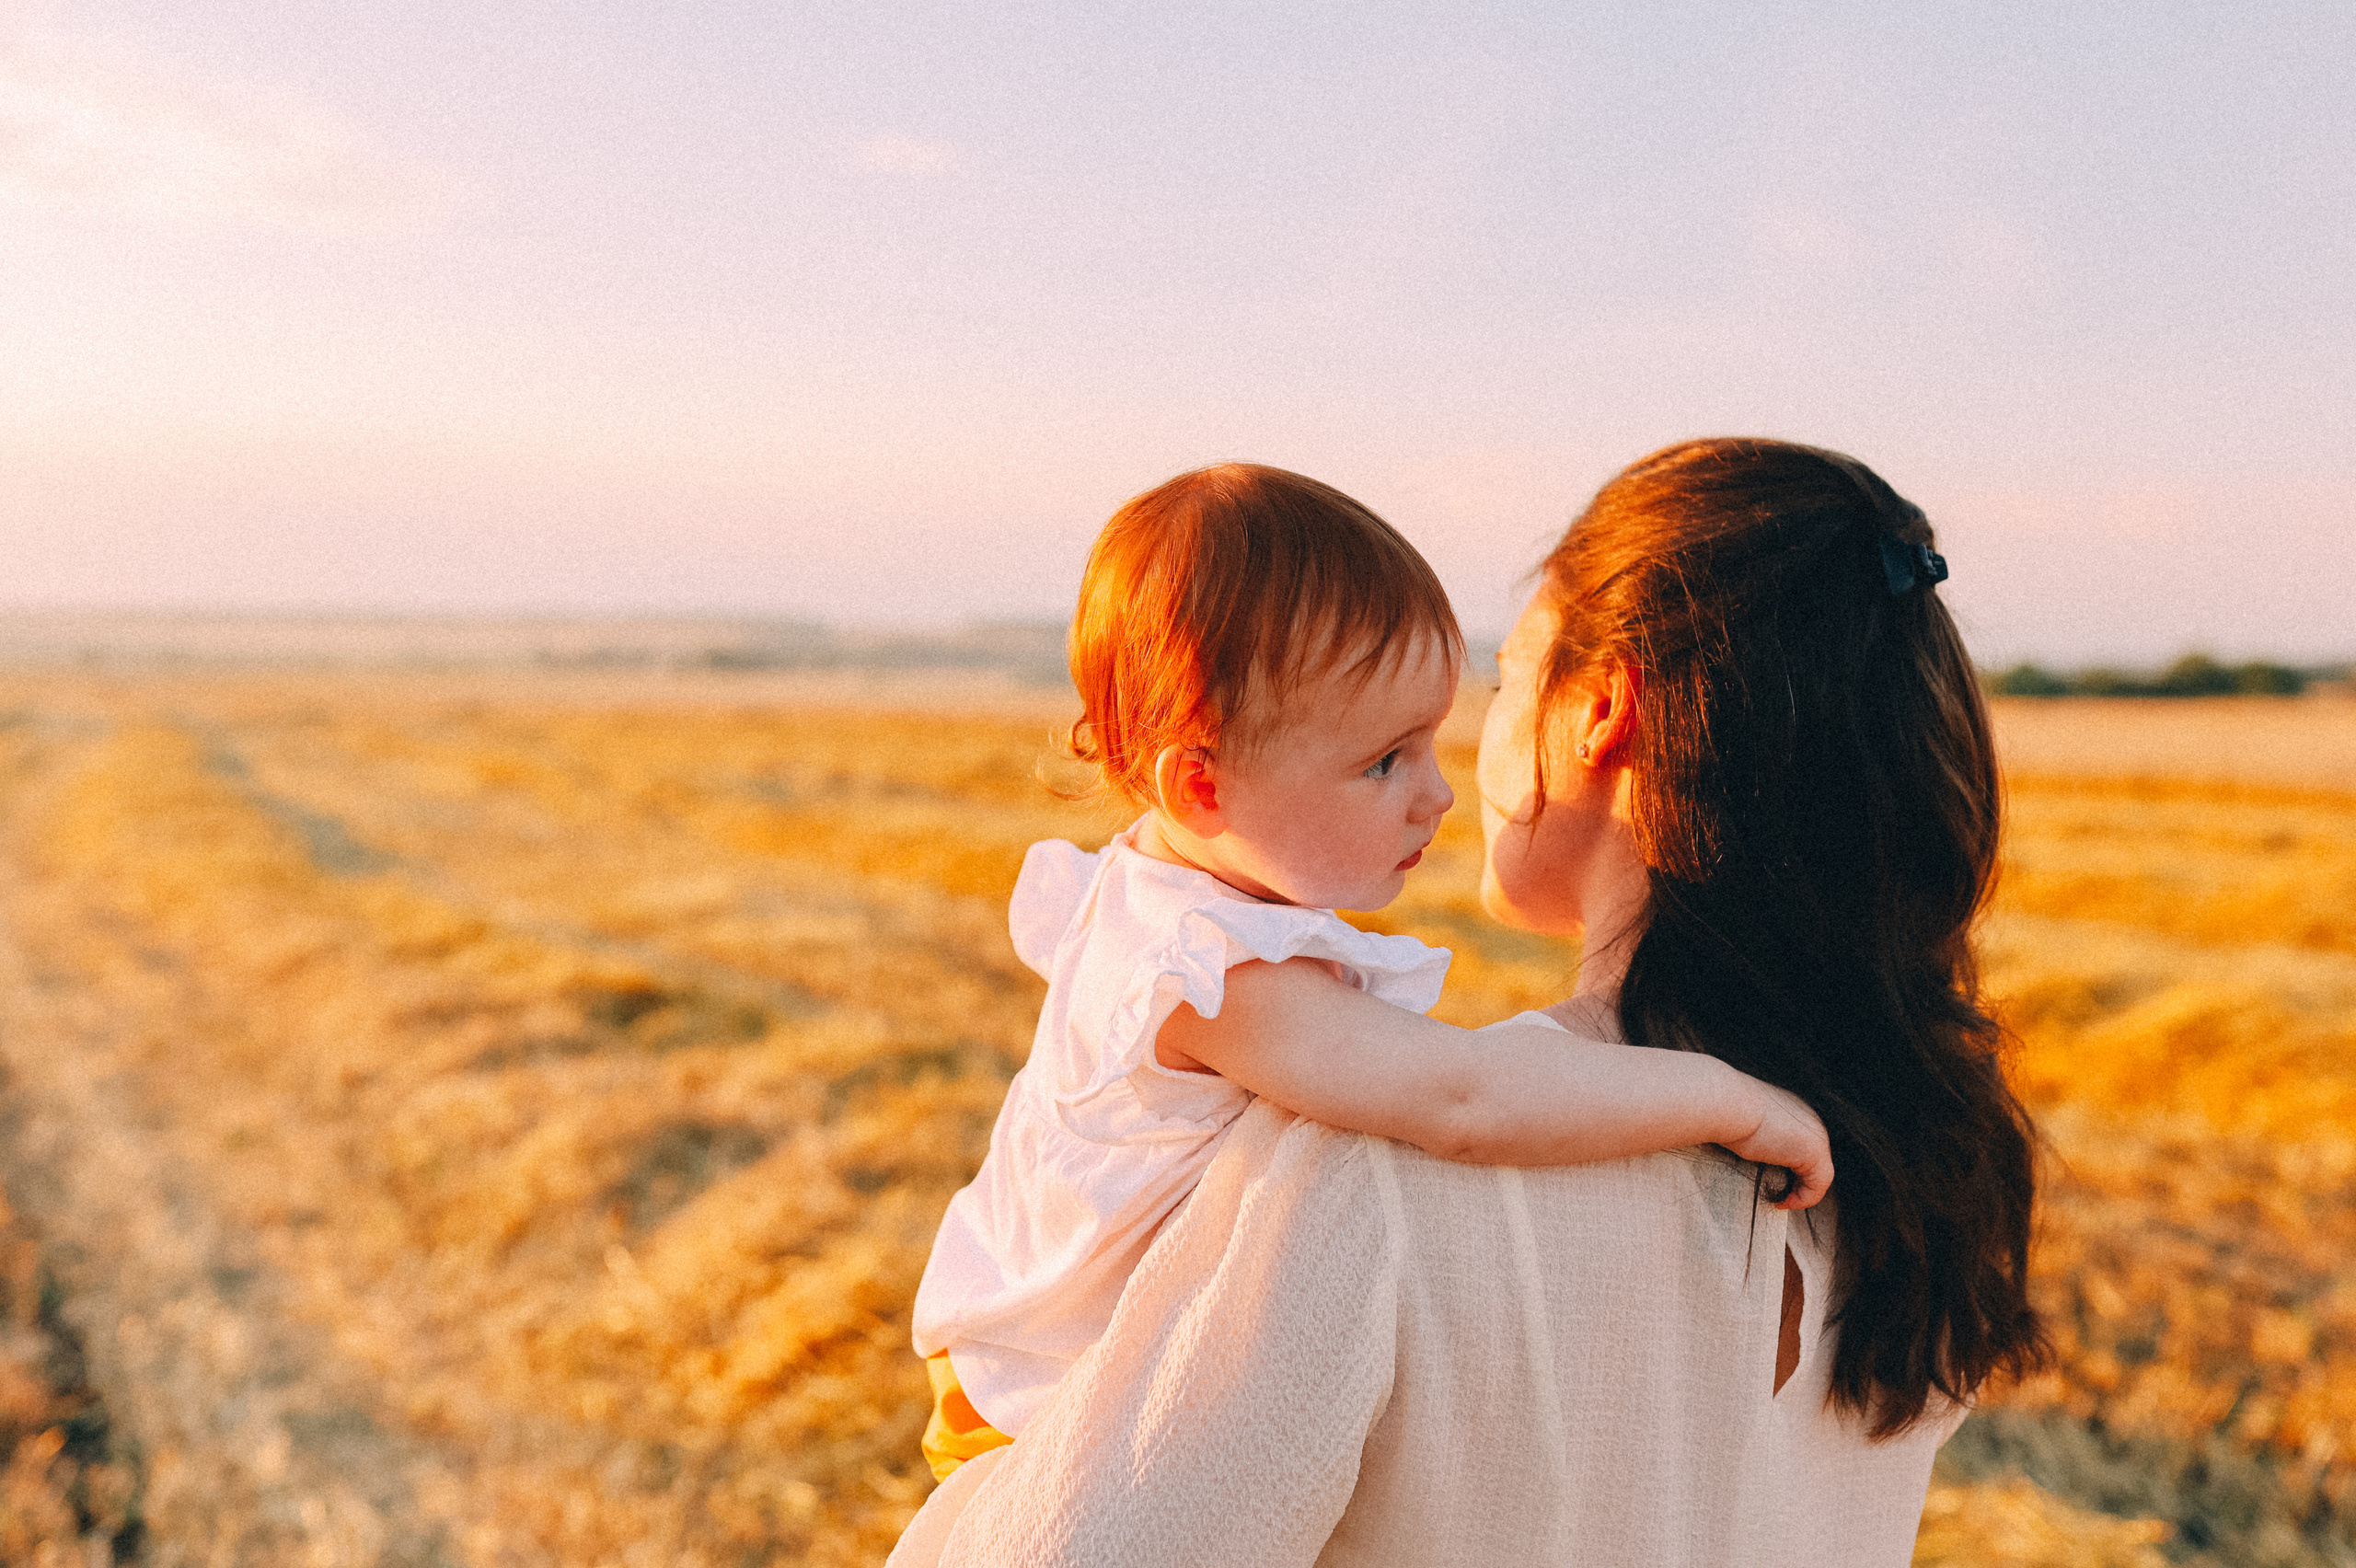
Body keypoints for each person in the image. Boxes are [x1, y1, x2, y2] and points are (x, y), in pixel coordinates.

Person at [901, 440, 2047, 1567]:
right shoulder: (1921, 1163)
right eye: (1391, 755)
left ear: (1603, 711)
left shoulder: (1370, 1176)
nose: (1443, 786)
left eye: (1500, 682)